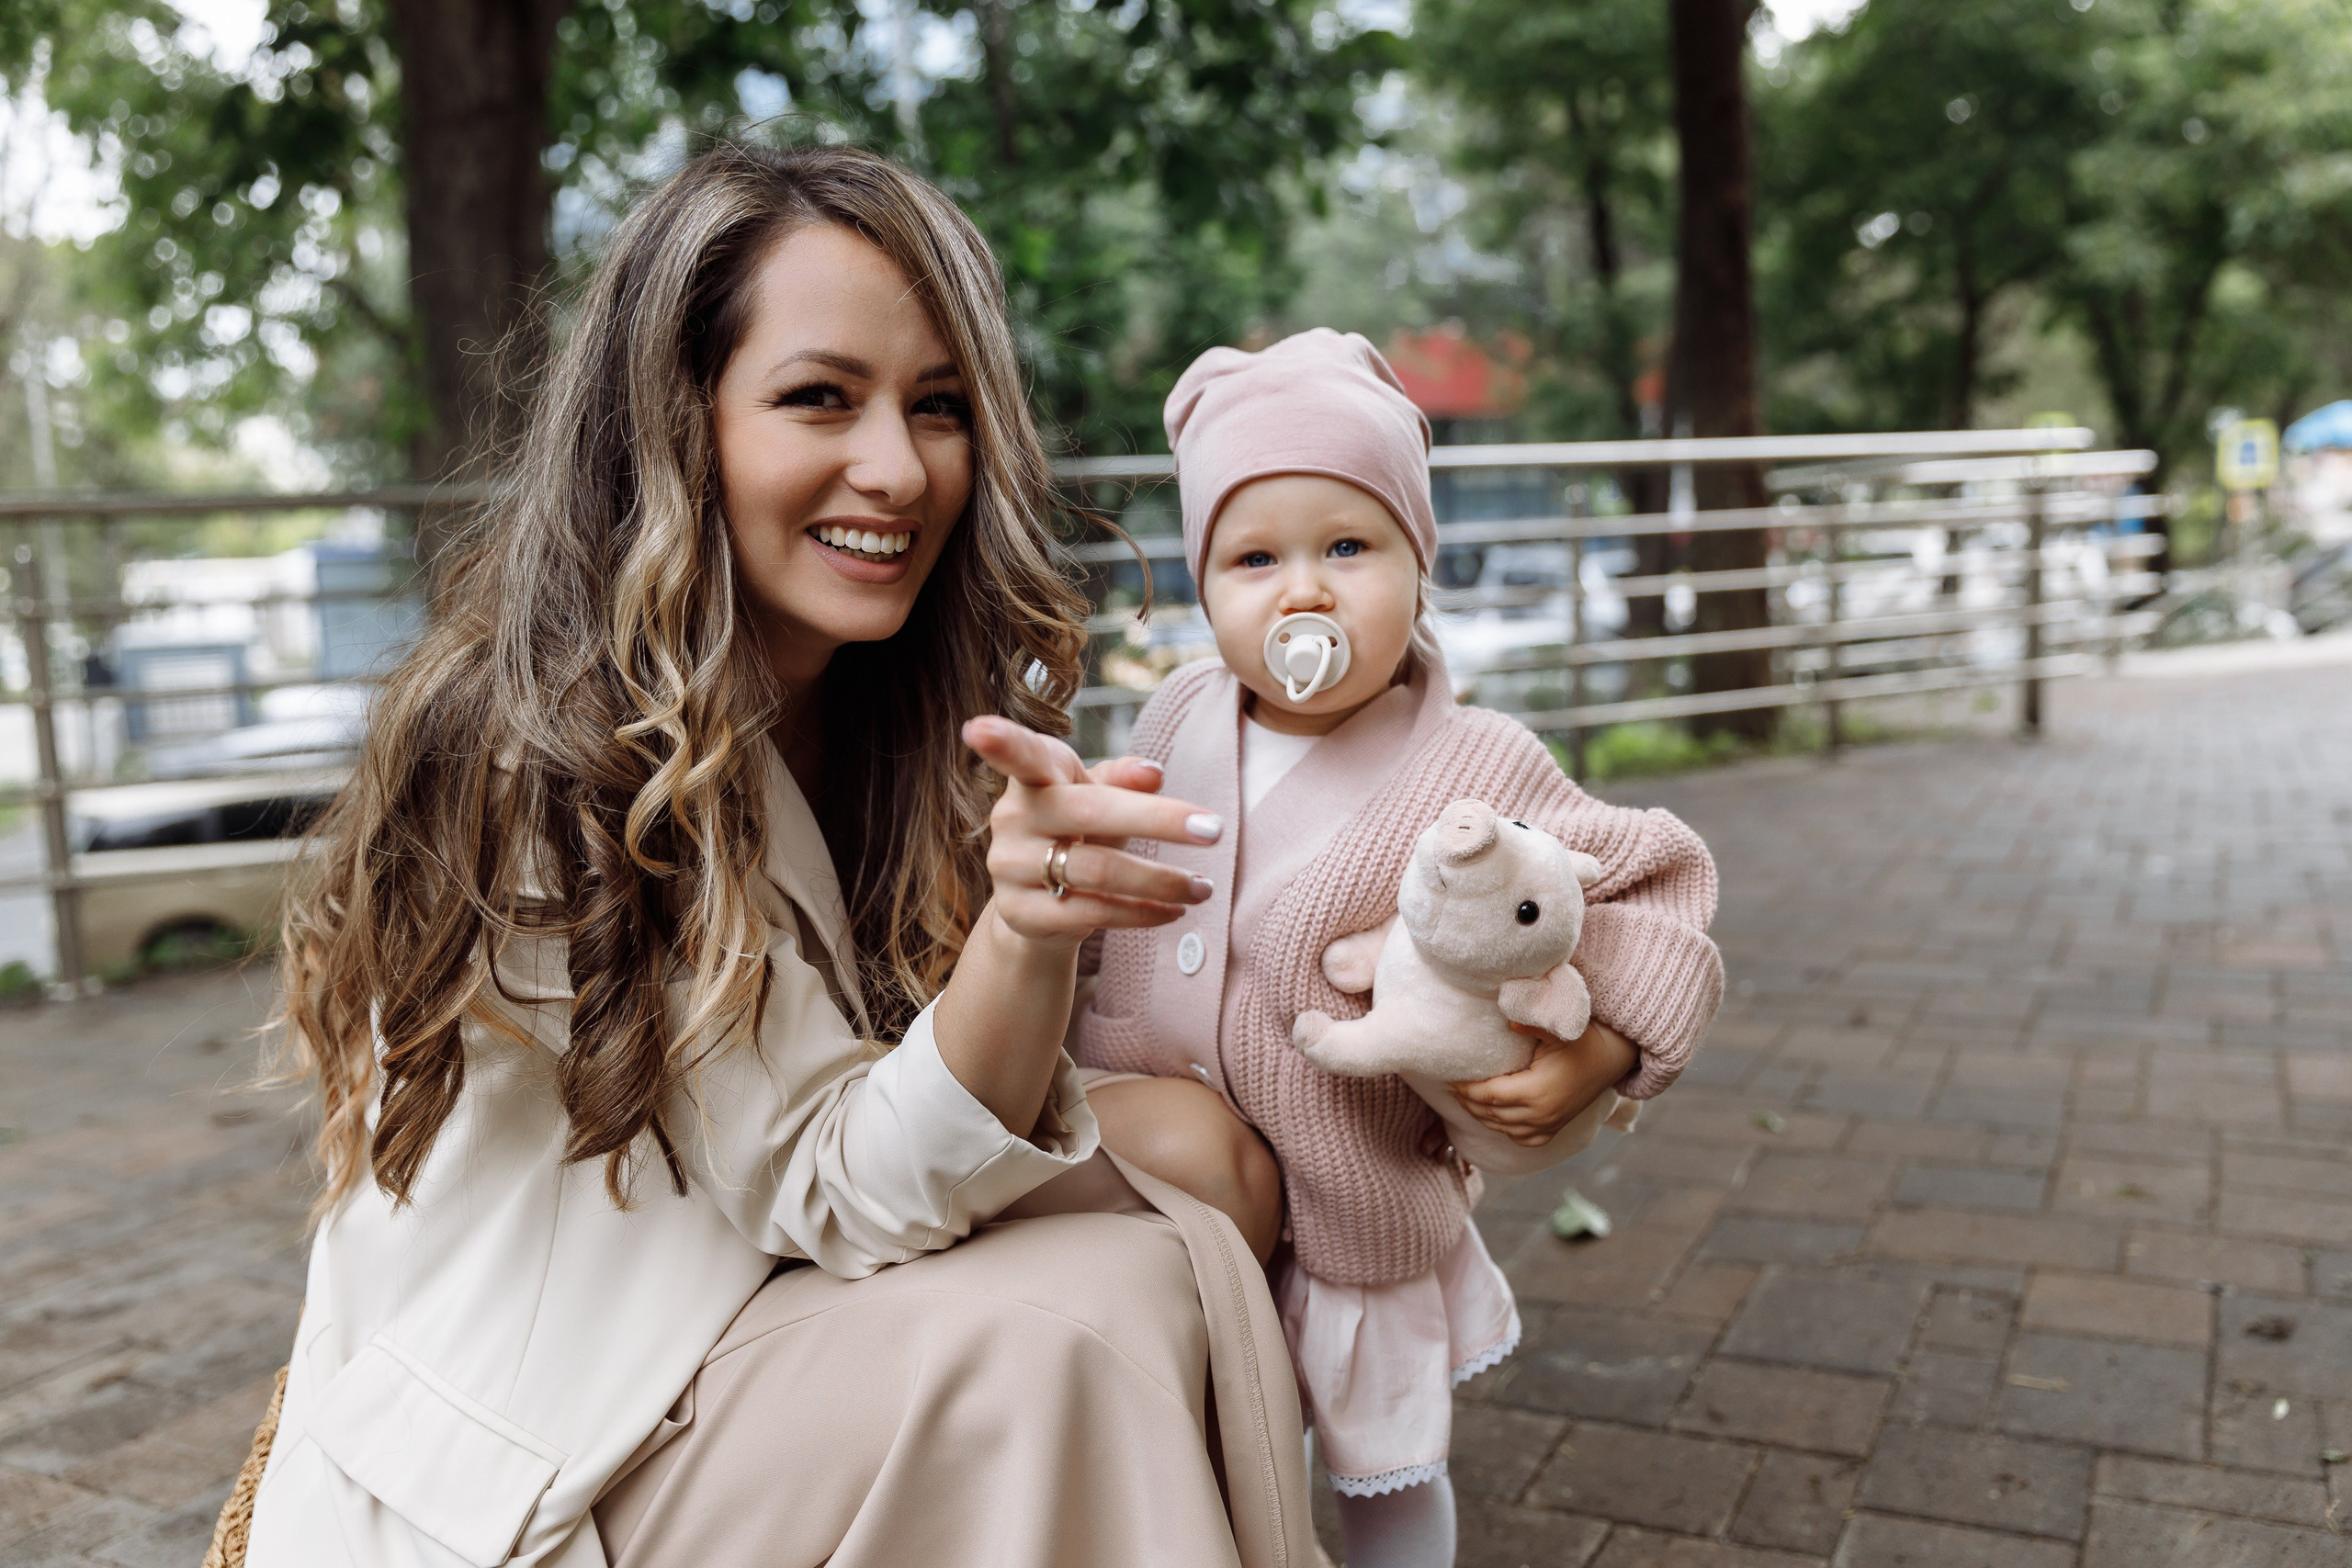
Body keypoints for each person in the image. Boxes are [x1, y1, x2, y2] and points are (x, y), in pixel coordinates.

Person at [243, 141, 1316, 1568]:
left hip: (738, 1301)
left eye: (937, 408)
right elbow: (836, 1181)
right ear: (677, 421)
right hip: (542, 1459)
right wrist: (1021, 938)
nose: (899, 469)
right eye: (821, 397)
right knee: (1080, 1322)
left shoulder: (887, 706)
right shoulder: (542, 754)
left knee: (1203, 1164)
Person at [1075, 330, 1725, 1568]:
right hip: (1155, 1175)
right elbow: (1116, 904)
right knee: (1189, 1442)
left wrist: (1602, 1056)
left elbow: (1656, 880)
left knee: (1384, 1466)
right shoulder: (1174, 719)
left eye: (1348, 548)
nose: (1303, 591)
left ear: (1416, 570)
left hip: (1349, 1202)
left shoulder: (1473, 765)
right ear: (1204, 584)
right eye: (1254, 557)